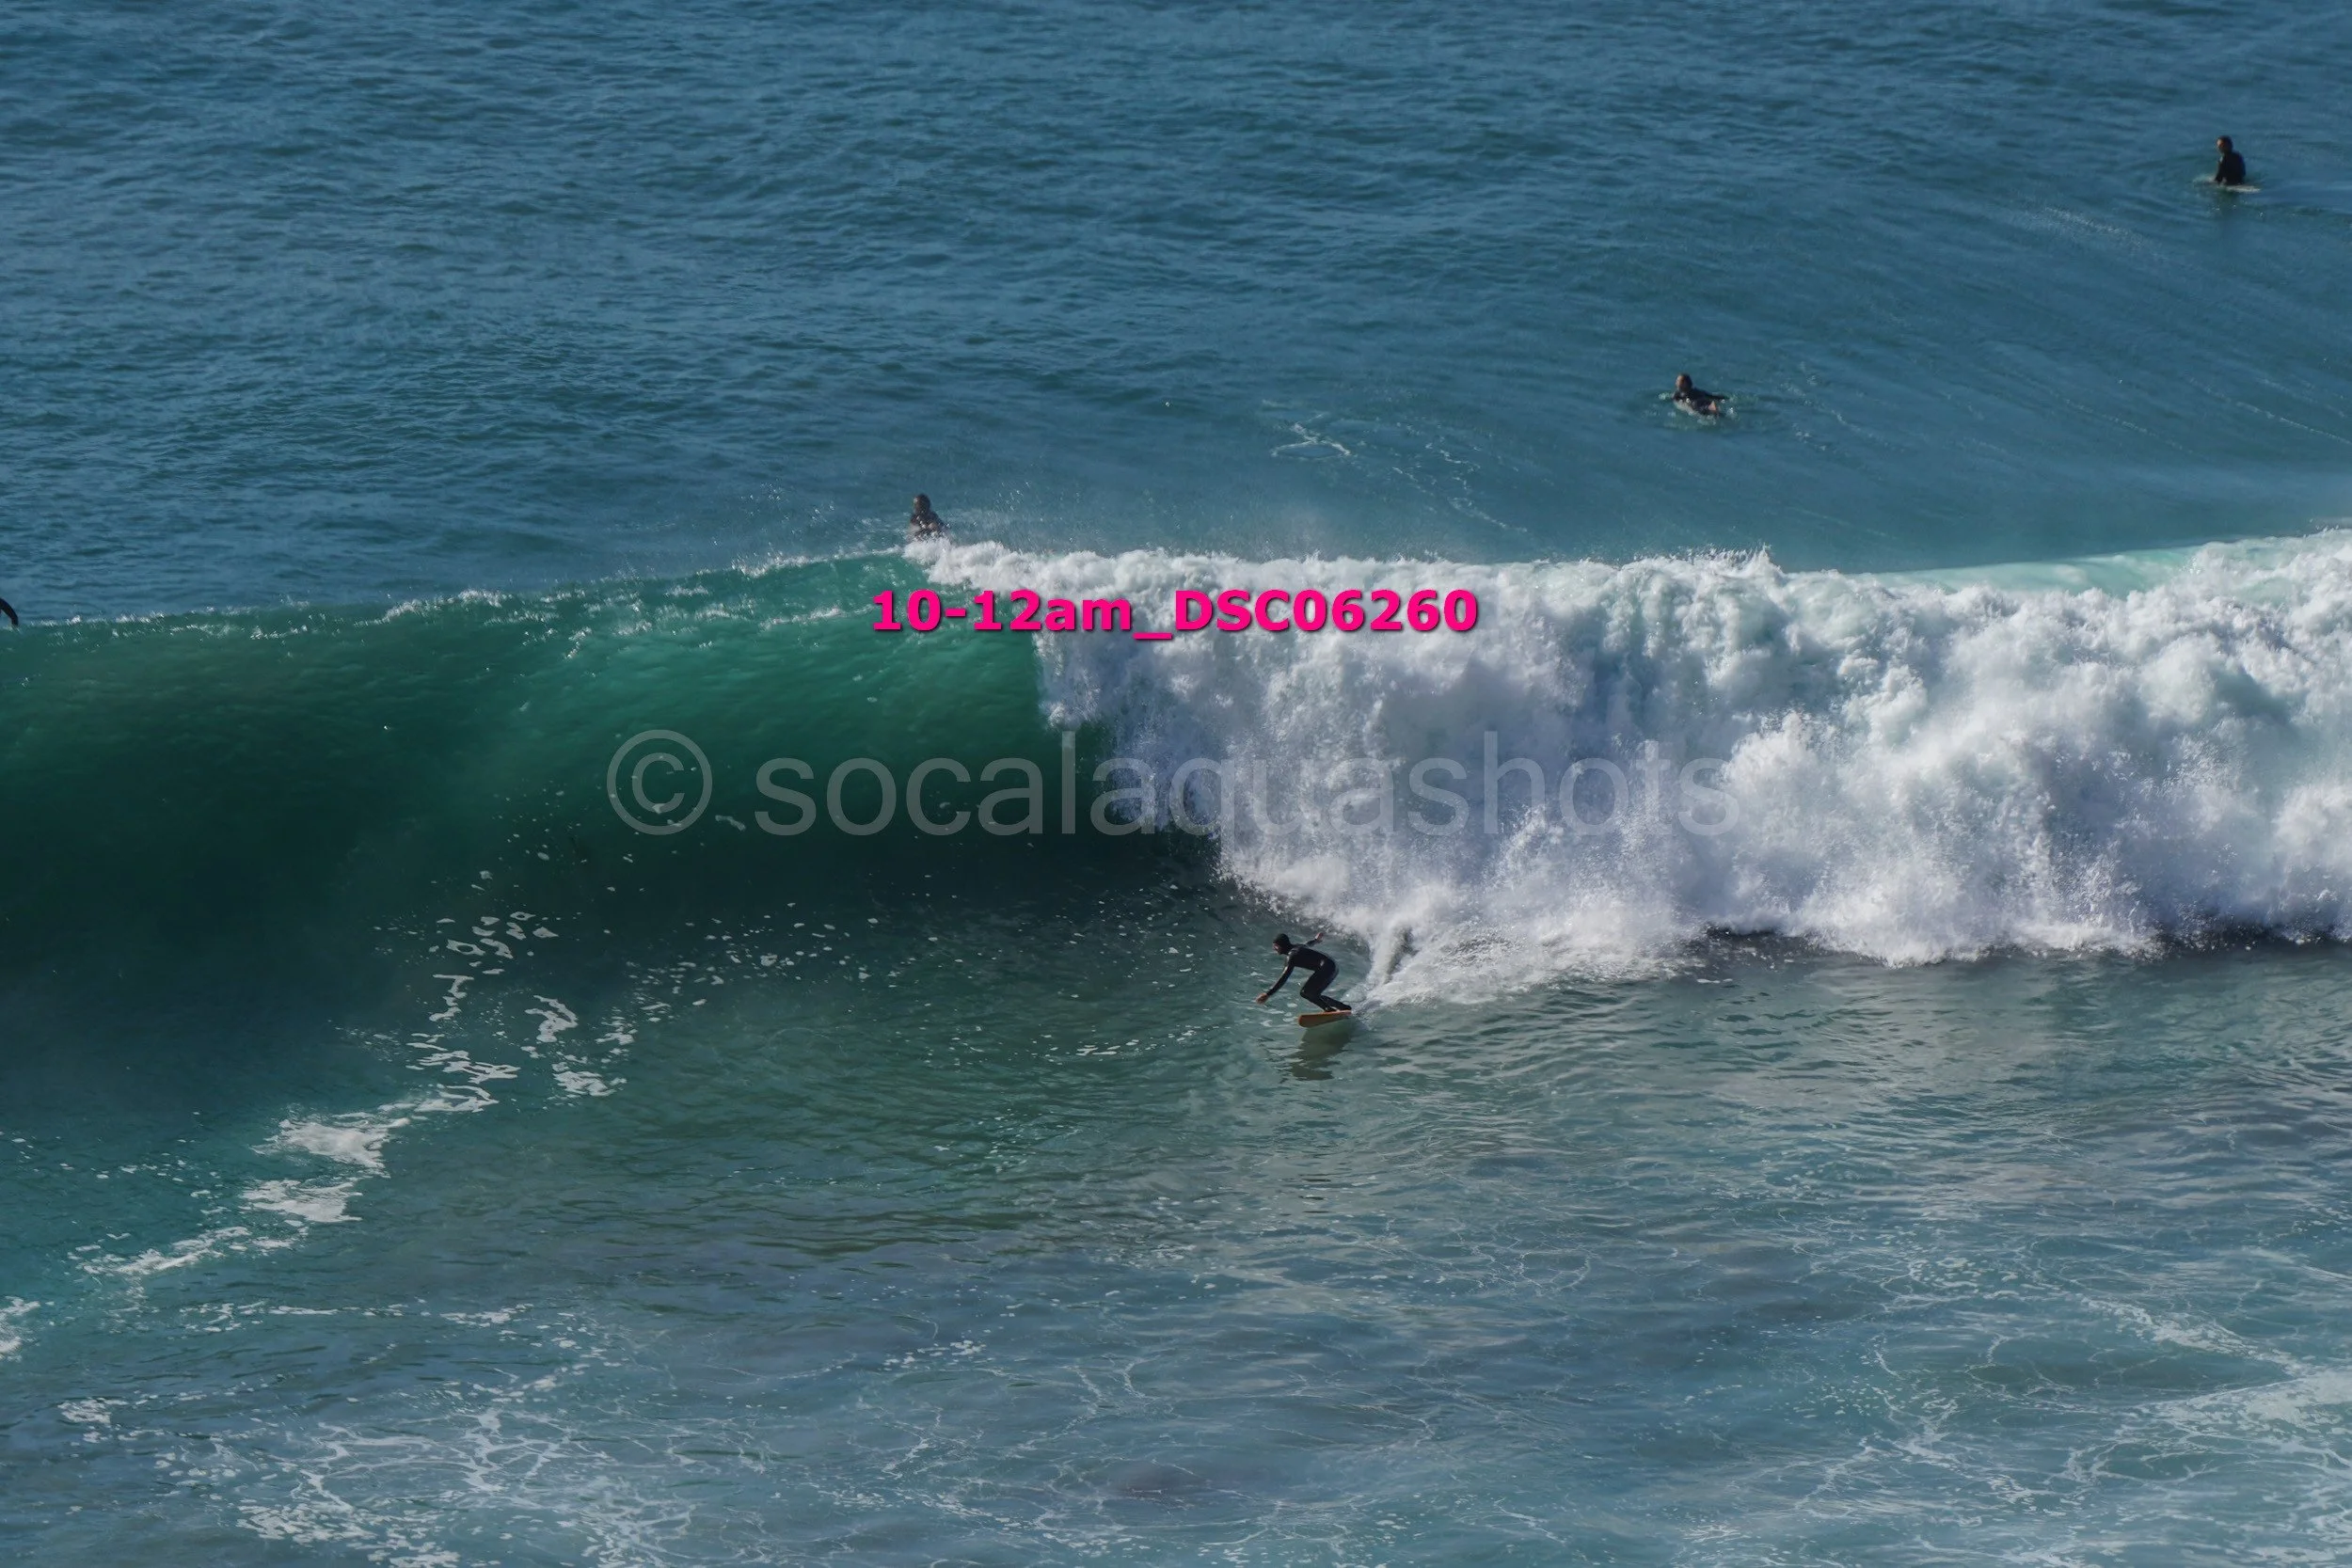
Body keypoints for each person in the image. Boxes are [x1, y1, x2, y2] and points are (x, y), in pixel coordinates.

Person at [1256, 931, 1350, 1013]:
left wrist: (1268, 993)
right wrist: (1316, 940)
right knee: (1313, 994)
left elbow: (1284, 977)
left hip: (1327, 967)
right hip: (1331, 965)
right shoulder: (1297, 947)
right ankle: (1342, 1007)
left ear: (1280, 945)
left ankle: (1329, 1010)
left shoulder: (1291, 956)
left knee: (1305, 992)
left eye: (1275, 946)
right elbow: (1308, 944)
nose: (1274, 948)